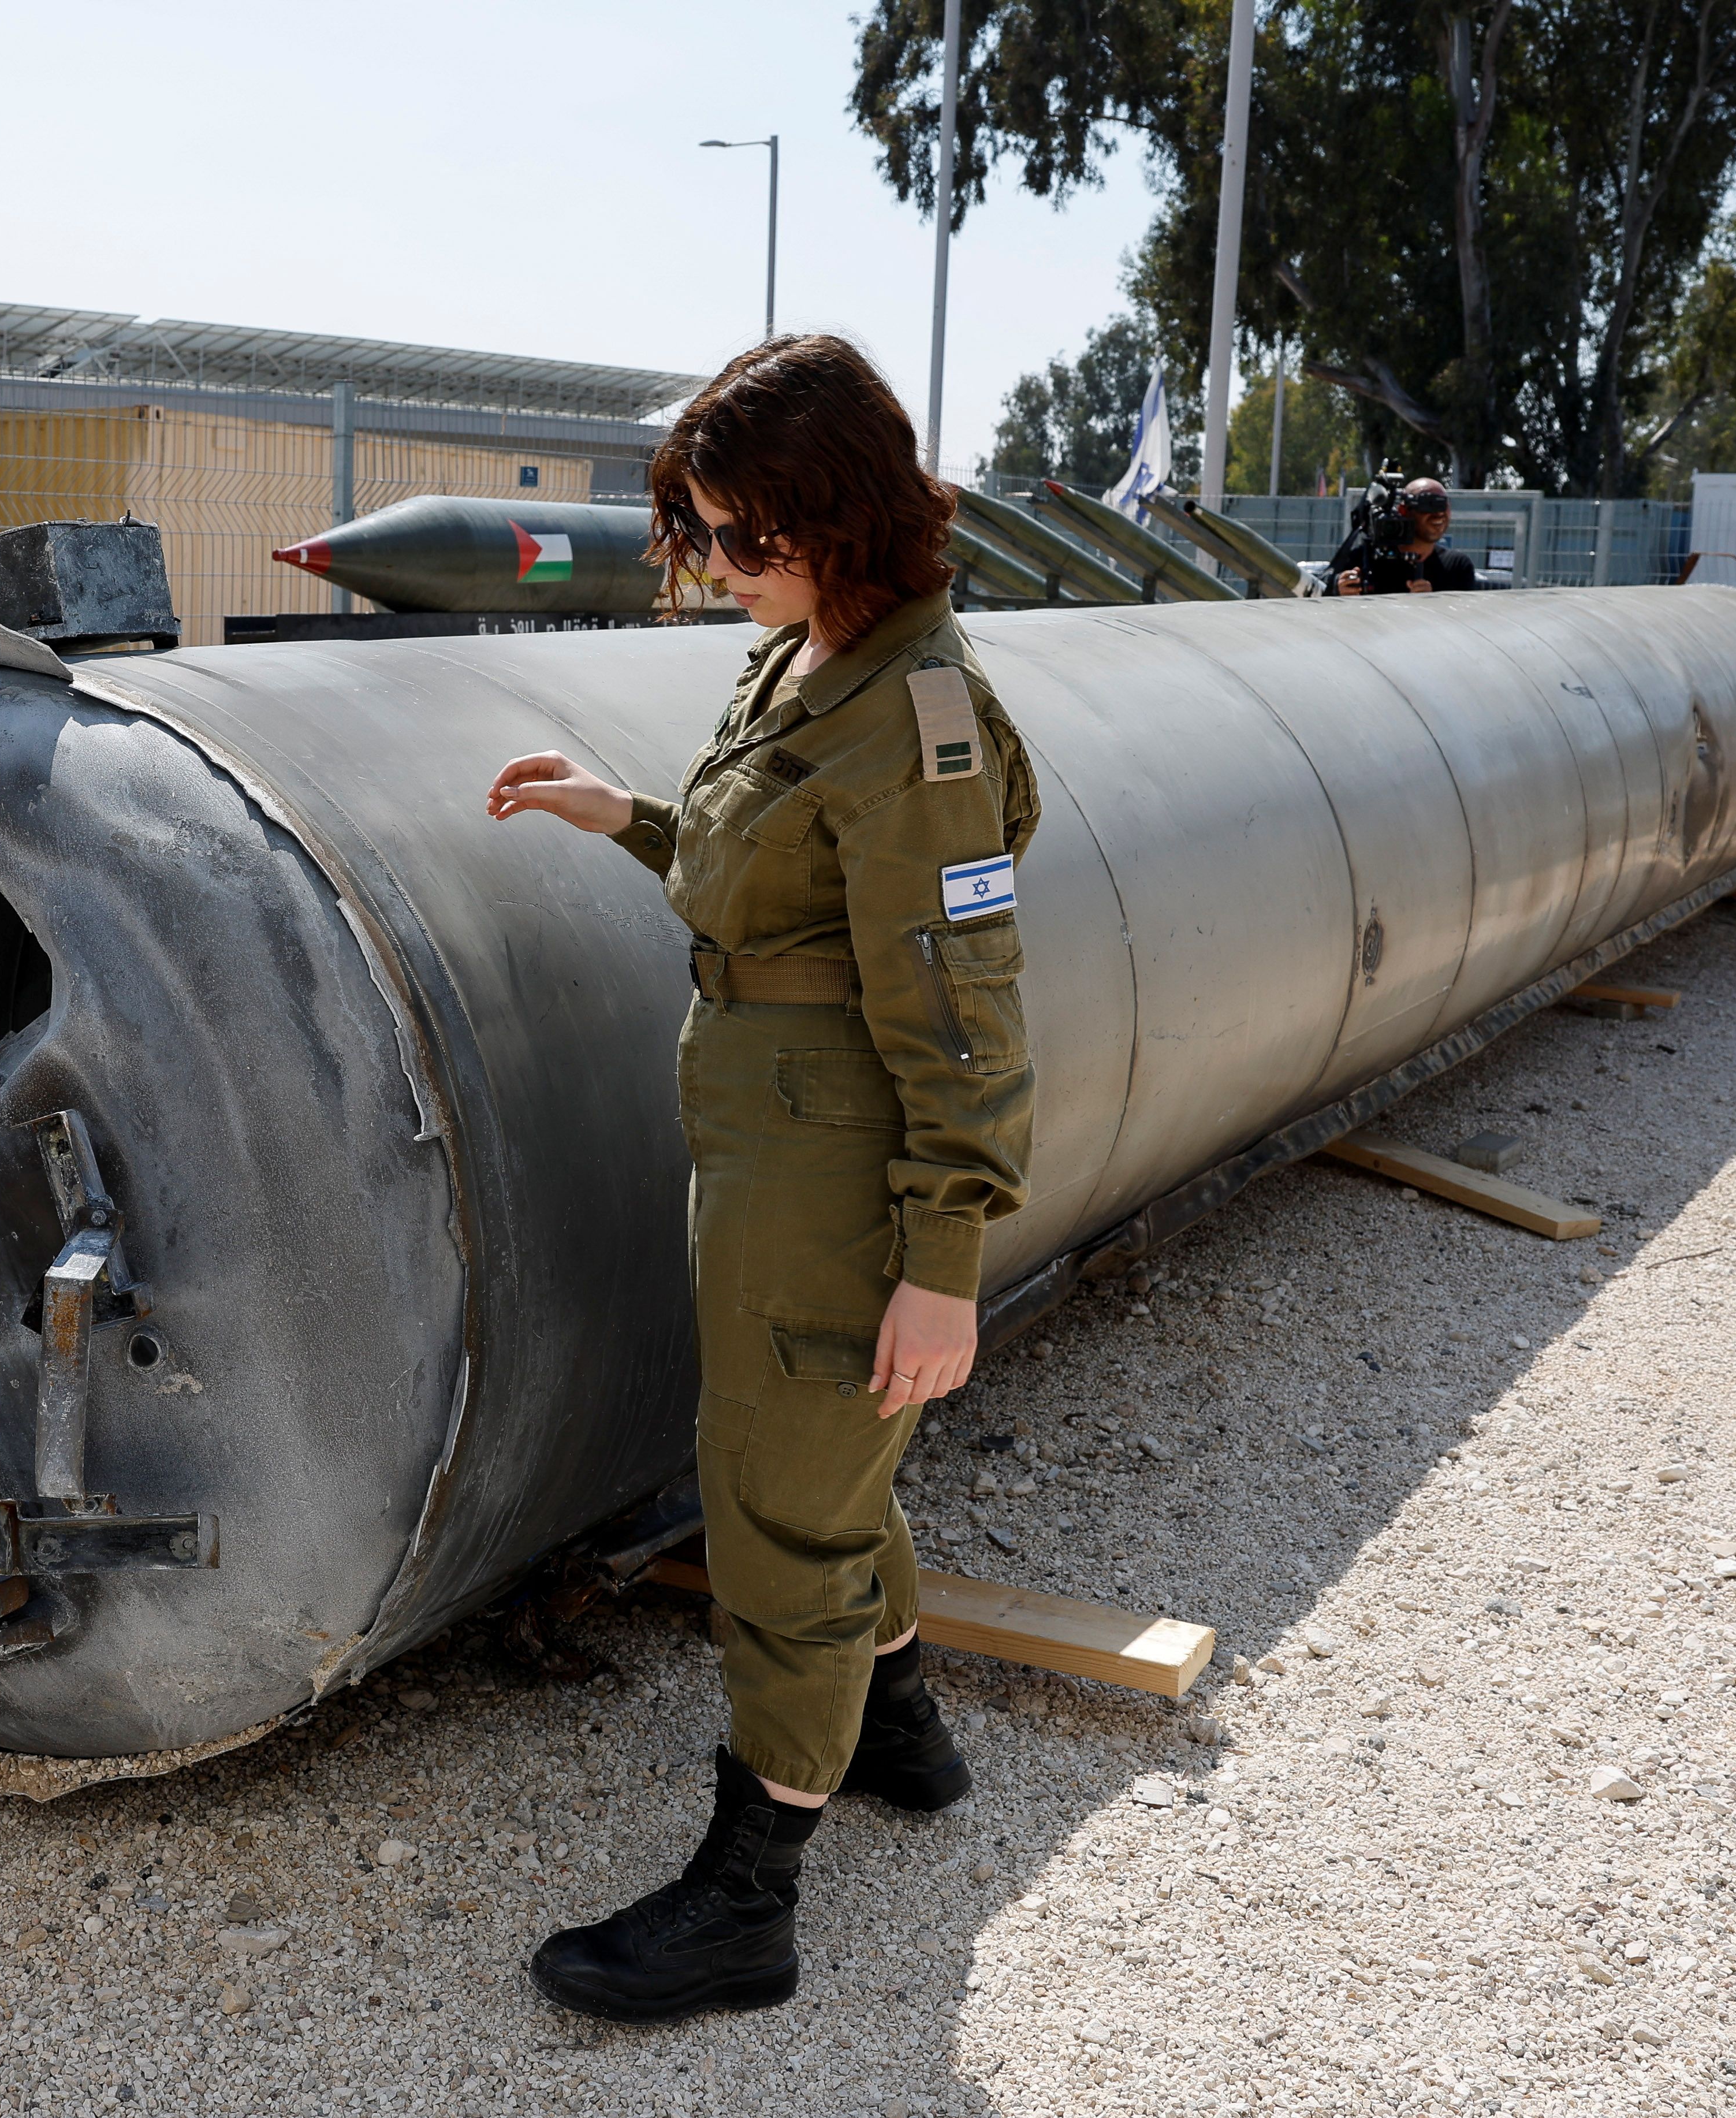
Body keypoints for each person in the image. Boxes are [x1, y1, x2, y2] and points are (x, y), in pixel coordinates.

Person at [482, 334, 1037, 2024]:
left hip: (840, 1165)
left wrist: (942, 1260)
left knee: (778, 1503)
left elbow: (960, 1018)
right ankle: (900, 1736)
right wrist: (627, 819)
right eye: (702, 533)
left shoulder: (917, 718)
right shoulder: (808, 659)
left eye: (741, 536)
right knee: (818, 1451)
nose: (713, 565)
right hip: (764, 1134)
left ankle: (750, 1896)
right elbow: (769, 878)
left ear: (844, 516)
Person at [1331, 475, 1477, 595]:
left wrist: (1435, 603)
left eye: (1443, 505)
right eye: (1429, 504)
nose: (1439, 514)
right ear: (1404, 510)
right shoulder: (1365, 560)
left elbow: (1463, 622)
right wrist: (1338, 590)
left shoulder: (1457, 567)